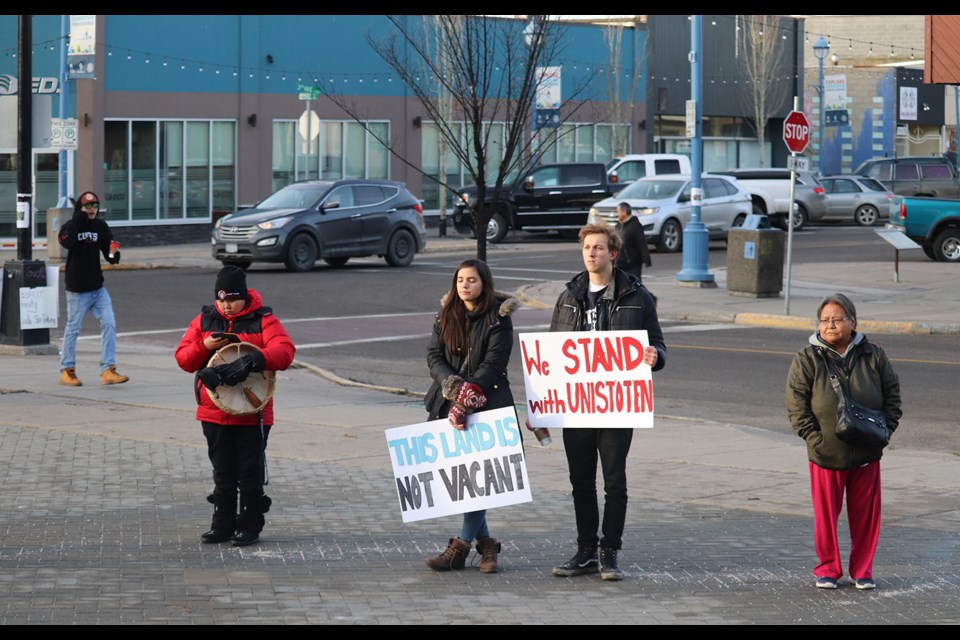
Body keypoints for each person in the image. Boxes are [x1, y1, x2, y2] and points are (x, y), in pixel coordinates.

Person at [549, 222, 666, 581]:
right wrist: (543, 406)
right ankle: (586, 550)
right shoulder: (569, 295)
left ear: (612, 254)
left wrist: (654, 356)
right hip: (577, 406)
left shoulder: (637, 296)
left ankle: (609, 551)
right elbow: (553, 355)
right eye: (587, 247)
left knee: (614, 482)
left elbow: (659, 345)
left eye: (599, 248)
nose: (591, 253)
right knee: (580, 481)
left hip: (617, 405)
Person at [786, 293, 901, 591]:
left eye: (837, 319)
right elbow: (796, 405)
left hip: (867, 450)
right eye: (824, 320)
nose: (830, 325)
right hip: (826, 453)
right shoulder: (807, 357)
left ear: (852, 322)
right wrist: (815, 439)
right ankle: (828, 569)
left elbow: (892, 397)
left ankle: (863, 571)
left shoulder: (874, 355)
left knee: (866, 517)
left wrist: (884, 432)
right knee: (826, 517)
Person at [175, 266, 296, 547]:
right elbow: (183, 359)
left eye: (232, 299)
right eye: (221, 300)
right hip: (213, 412)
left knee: (249, 473)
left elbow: (285, 351)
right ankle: (222, 525)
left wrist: (253, 360)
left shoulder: (263, 320)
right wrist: (204, 346)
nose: (226, 305)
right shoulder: (205, 320)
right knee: (223, 472)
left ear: (243, 297)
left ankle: (249, 525)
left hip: (253, 414)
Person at [423, 259, 519, 574]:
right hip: (448, 405)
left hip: (489, 406)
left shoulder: (498, 318)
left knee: (480, 480)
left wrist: (467, 396)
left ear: (484, 283)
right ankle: (488, 547)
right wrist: (452, 387)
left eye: (472, 280)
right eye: (460, 280)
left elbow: (494, 363)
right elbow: (434, 355)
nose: (465, 285)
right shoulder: (444, 315)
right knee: (464, 480)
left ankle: (460, 548)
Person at [57, 191, 128, 386]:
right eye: (87, 206)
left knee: (109, 323)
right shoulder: (70, 226)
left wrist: (114, 255)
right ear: (80, 207)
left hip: (97, 288)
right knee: (73, 328)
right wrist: (79, 219)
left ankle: (108, 370)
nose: (92, 209)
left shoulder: (101, 226)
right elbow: (66, 241)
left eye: (95, 205)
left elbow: (109, 254)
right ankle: (67, 370)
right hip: (77, 289)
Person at [615, 202, 652, 282]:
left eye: (618, 211)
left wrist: (646, 259)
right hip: (620, 263)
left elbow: (641, 243)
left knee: (635, 284)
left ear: (624, 212)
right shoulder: (618, 226)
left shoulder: (635, 225)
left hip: (633, 263)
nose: (617, 214)